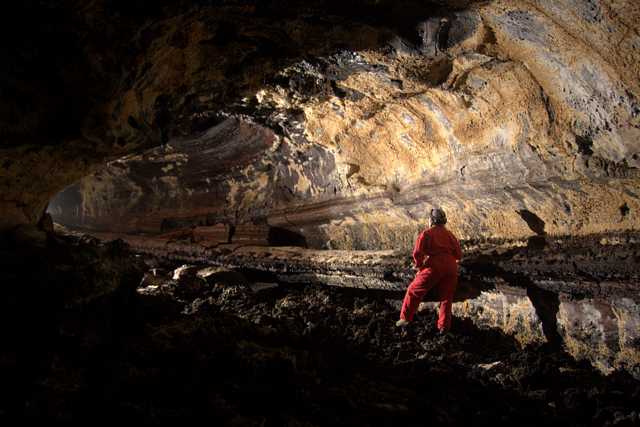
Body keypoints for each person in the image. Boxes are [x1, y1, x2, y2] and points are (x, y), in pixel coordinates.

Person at [396, 208, 462, 333]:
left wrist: (420, 267)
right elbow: (458, 255)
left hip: (434, 265)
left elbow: (417, 253)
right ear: (443, 221)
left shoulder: (426, 234)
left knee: (413, 290)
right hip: (451, 266)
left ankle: (405, 318)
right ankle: (443, 327)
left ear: (431, 220)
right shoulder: (450, 235)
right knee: (447, 297)